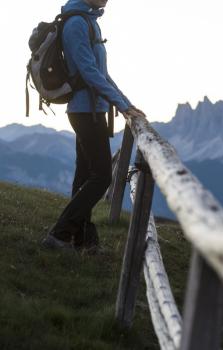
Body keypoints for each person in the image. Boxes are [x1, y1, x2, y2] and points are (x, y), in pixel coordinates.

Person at [42, 0, 145, 253]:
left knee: (85, 175)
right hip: (85, 112)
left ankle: (84, 240)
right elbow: (89, 72)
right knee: (101, 176)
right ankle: (59, 234)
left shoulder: (89, 21)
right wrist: (121, 105)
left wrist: (127, 104)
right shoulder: (77, 23)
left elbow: (102, 73)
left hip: (93, 110)